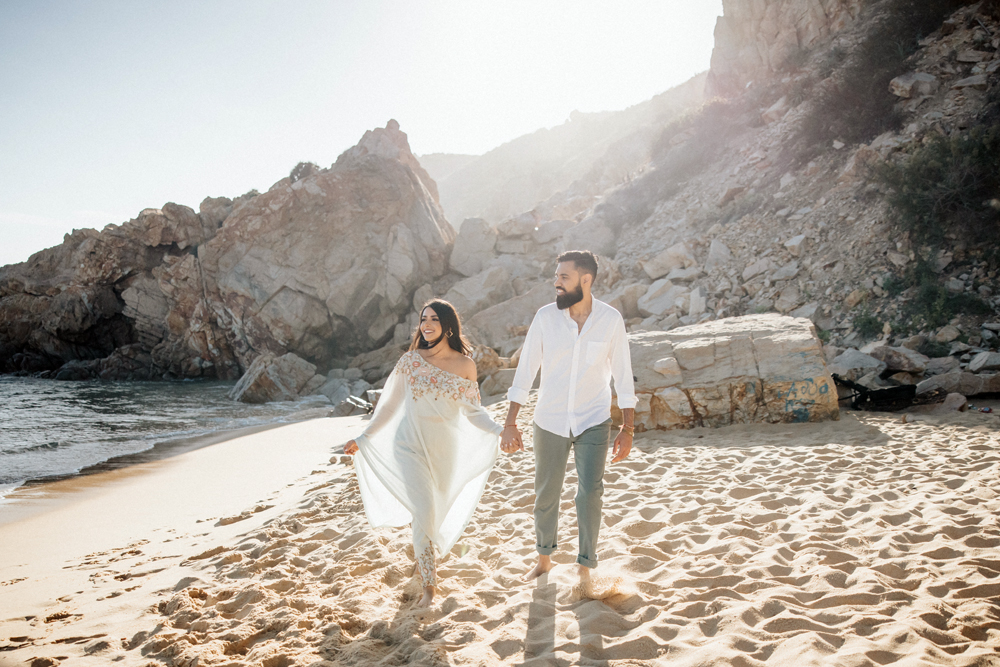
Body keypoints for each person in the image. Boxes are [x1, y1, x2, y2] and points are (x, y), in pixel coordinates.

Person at [342, 299, 503, 608]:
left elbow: (474, 412)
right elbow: (388, 406)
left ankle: (421, 560)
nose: (426, 325)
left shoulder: (465, 365)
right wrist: (364, 437)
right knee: (424, 510)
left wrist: (499, 430)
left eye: (433, 319)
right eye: (423, 319)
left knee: (433, 514)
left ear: (448, 325)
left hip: (445, 451)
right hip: (408, 446)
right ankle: (430, 587)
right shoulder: (411, 361)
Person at [500, 250, 636, 582]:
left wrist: (628, 427)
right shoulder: (546, 318)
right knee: (547, 491)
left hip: (594, 418)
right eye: (556, 277)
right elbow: (526, 370)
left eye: (564, 277)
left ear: (585, 280)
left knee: (590, 491)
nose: (556, 283)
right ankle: (544, 560)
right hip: (549, 419)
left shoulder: (610, 320)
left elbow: (623, 373)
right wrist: (510, 422)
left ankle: (585, 564)